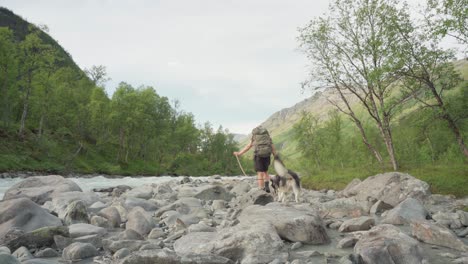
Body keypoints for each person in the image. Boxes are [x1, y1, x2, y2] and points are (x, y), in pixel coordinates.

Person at [233, 125, 276, 193]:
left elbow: (248, 146)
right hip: (267, 155)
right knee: (265, 172)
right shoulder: (267, 137)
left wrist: (239, 153)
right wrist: (275, 156)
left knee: (260, 173)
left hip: (258, 156)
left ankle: (261, 189)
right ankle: (267, 186)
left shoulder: (255, 137)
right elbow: (272, 146)